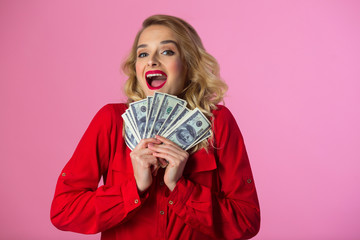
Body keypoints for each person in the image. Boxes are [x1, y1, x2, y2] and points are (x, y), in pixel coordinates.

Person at [50, 14, 260, 240]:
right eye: (143, 54)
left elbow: (246, 221)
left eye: (167, 51)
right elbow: (64, 210)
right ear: (137, 68)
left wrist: (179, 187)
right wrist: (135, 189)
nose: (152, 60)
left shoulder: (218, 122)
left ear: (188, 65)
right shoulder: (111, 120)